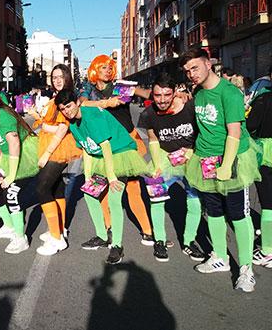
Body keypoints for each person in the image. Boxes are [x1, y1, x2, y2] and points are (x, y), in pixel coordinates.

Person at [181, 48, 260, 292]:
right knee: (213, 210)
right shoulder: (198, 94)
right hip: (205, 160)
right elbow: (204, 129)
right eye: (187, 71)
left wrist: (226, 166)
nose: (191, 74)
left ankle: (246, 269)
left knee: (238, 213)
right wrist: (193, 151)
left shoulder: (229, 92)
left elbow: (234, 132)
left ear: (208, 63)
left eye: (195, 68)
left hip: (232, 159)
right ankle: (221, 258)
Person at [55, 89, 150, 265]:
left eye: (68, 106)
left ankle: (117, 246)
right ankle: (102, 235)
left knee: (114, 200)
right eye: (62, 109)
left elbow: (105, 146)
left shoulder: (92, 116)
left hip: (120, 154)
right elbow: (87, 149)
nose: (66, 111)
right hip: (101, 157)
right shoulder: (73, 124)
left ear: (77, 102)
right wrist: (88, 176)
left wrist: (112, 176)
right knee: (89, 194)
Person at [79, 54, 154, 246]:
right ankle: (108, 230)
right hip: (104, 144)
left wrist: (169, 93)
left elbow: (146, 94)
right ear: (95, 69)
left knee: (133, 188)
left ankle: (148, 231)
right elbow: (82, 104)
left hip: (127, 142)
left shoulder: (120, 85)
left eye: (109, 67)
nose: (107, 70)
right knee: (102, 189)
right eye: (103, 67)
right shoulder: (89, 89)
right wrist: (106, 103)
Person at [137, 73, 205, 262]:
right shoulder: (149, 114)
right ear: (153, 93)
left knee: (194, 198)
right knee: (156, 197)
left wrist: (190, 153)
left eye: (167, 95)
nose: (162, 100)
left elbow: (202, 133)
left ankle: (189, 242)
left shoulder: (190, 108)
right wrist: (157, 164)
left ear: (175, 92)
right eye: (157, 95)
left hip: (191, 157)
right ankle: (160, 240)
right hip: (165, 158)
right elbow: (153, 140)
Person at [0, 85, 39, 254]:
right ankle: (10, 225)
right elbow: (1, 147)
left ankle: (21, 238)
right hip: (7, 157)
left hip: (23, 156)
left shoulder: (3, 114)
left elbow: (14, 143)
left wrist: (11, 175)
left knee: (12, 193)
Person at [33, 65, 82, 256]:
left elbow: (63, 128)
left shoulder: (66, 96)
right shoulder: (55, 97)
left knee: (42, 188)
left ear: (67, 77)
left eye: (61, 76)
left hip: (58, 148)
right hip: (51, 144)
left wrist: (47, 153)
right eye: (54, 77)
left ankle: (56, 238)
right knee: (56, 188)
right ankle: (59, 229)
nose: (57, 80)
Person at [247, 88, 272, 268]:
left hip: (266, 151)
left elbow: (251, 125)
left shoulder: (264, 98)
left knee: (268, 202)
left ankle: (268, 250)